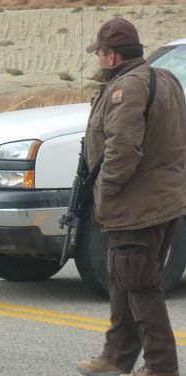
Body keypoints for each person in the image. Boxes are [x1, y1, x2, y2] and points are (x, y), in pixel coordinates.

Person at [76, 18, 186, 376]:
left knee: (140, 286)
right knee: (122, 280)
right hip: (163, 200)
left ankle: (160, 366)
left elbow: (122, 150)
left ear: (111, 55)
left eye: (99, 53)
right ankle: (117, 356)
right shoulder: (165, 78)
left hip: (136, 207)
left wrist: (105, 194)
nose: (97, 59)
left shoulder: (127, 89)